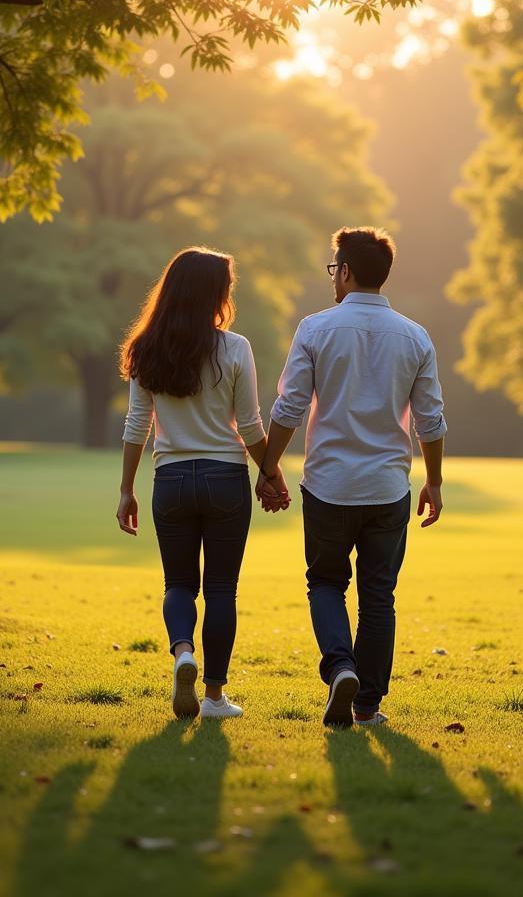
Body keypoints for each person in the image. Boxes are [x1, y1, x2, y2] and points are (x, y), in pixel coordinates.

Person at [256, 226, 447, 728]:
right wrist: (435, 480)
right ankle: (367, 706)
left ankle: (341, 665)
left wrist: (269, 466)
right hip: (388, 488)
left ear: (345, 272)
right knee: (379, 596)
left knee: (324, 583)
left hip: (329, 486)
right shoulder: (415, 336)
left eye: (333, 268)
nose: (332, 277)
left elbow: (290, 406)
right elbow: (430, 420)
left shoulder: (315, 329)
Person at [116, 247, 290, 721]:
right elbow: (251, 425)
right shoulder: (235, 348)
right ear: (216, 293)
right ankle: (213, 696)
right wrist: (271, 474)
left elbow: (137, 425)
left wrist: (127, 489)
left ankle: (182, 654)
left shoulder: (145, 347)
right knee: (220, 589)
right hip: (224, 479)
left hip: (170, 479)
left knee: (177, 583)